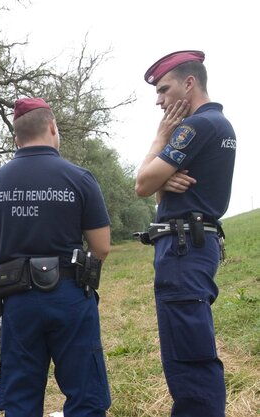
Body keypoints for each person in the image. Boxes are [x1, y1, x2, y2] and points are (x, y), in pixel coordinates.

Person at [0, 97, 112, 416]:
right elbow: (101, 246)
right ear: (52, 127)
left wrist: (15, 271)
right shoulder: (79, 179)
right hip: (71, 295)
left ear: (15, 137)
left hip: (18, 299)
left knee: (20, 396)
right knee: (85, 393)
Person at [135, 50, 234, 417]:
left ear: (189, 83)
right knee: (190, 346)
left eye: (164, 89)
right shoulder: (217, 124)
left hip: (183, 248)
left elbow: (143, 183)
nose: (159, 100)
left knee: (188, 357)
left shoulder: (197, 127)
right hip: (193, 244)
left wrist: (161, 137)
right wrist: (161, 181)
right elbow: (157, 188)